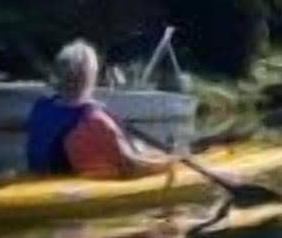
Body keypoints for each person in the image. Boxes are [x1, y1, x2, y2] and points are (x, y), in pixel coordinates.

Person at [23, 39, 175, 178]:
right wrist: (170, 165)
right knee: (134, 152)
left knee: (139, 147)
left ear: (60, 75)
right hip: (64, 188)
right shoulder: (95, 119)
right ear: (91, 77)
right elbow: (133, 167)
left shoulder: (41, 106)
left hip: (37, 177)